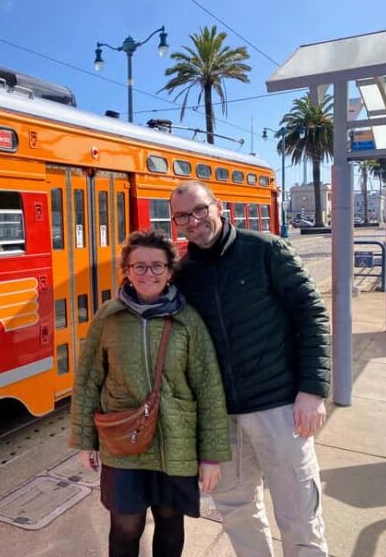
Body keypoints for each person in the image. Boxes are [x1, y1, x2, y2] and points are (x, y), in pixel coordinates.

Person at [170, 180, 331, 557]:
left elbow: (312, 314)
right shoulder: (185, 272)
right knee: (238, 513)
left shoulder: (265, 249)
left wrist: (313, 389)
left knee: (300, 515)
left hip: (280, 407)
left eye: (199, 210)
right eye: (182, 216)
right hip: (221, 419)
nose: (193, 221)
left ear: (218, 206)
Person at [70, 229, 231, 557]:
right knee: (126, 527)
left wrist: (211, 455)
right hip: (123, 440)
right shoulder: (109, 317)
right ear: (126, 270)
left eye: (157, 266)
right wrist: (84, 439)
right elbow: (88, 380)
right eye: (139, 266)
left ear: (170, 271)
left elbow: (209, 387)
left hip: (176, 441)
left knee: (170, 522)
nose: (148, 274)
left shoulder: (188, 320)